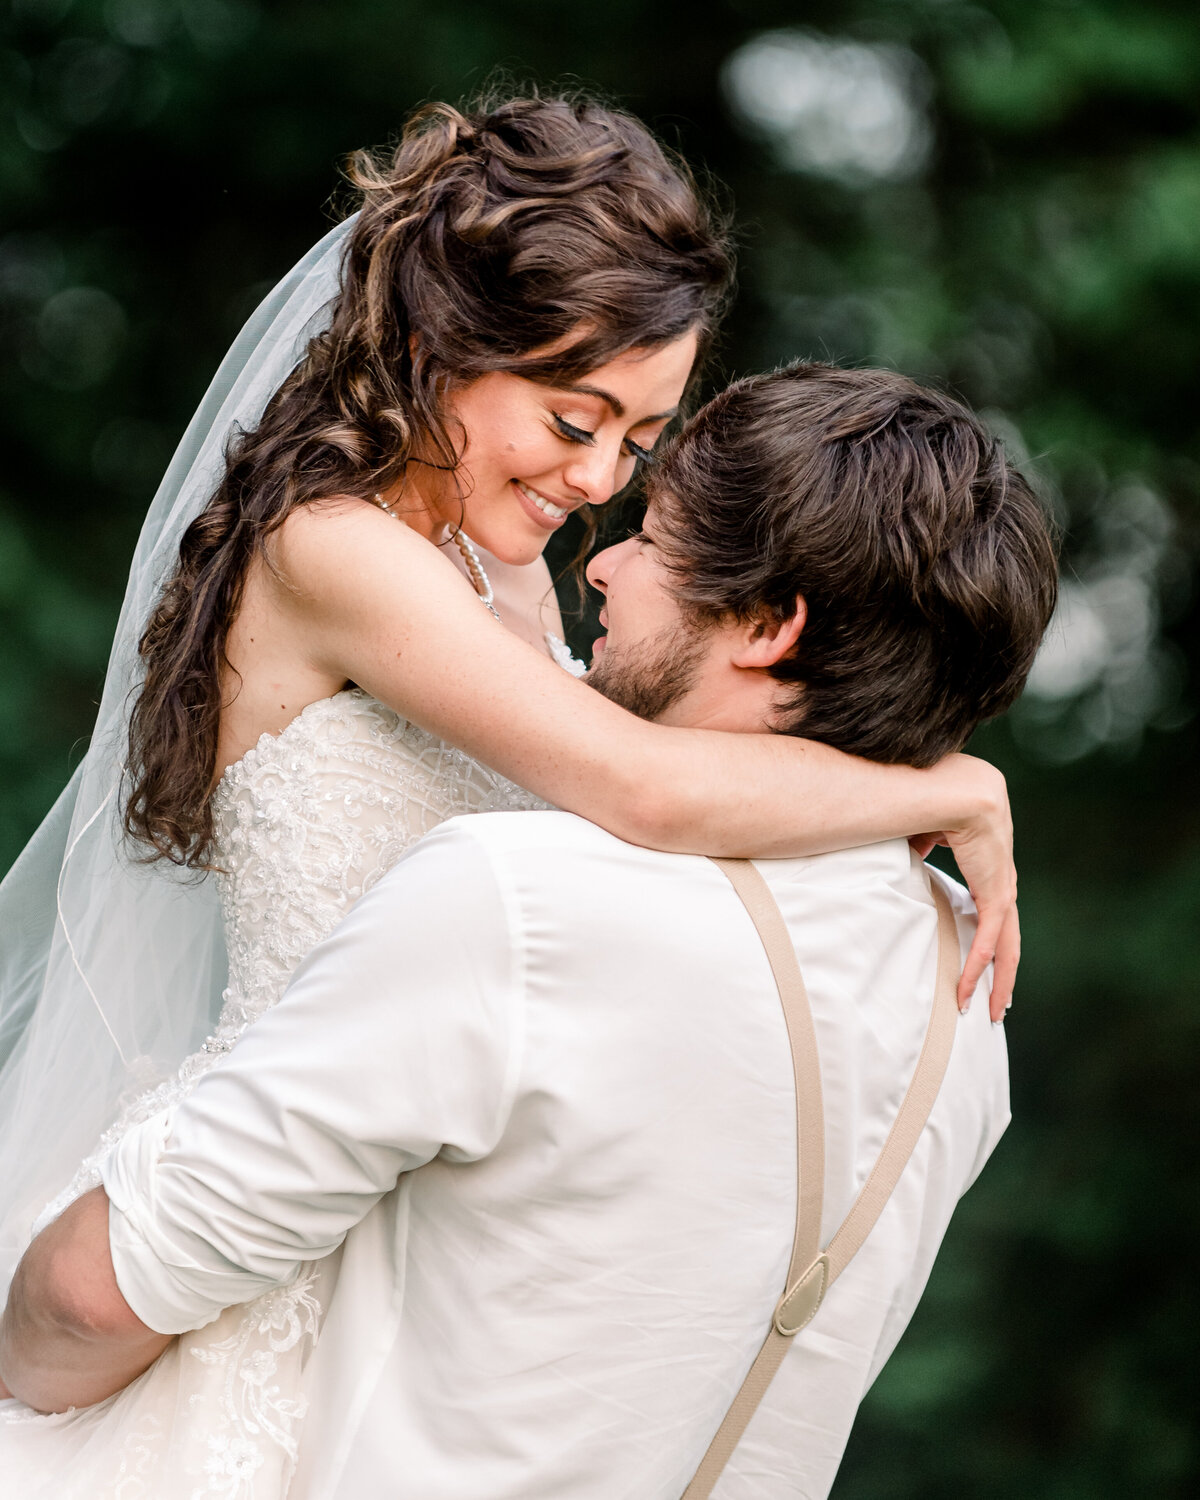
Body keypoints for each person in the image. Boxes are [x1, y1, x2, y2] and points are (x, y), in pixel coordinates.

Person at [0, 88, 1016, 1487]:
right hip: (251, 1233)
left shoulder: (518, 570)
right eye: (572, 415)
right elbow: (645, 792)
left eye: (640, 442)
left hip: (429, 1249)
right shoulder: (333, 549)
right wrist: (948, 794)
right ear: (442, 346)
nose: (598, 479)